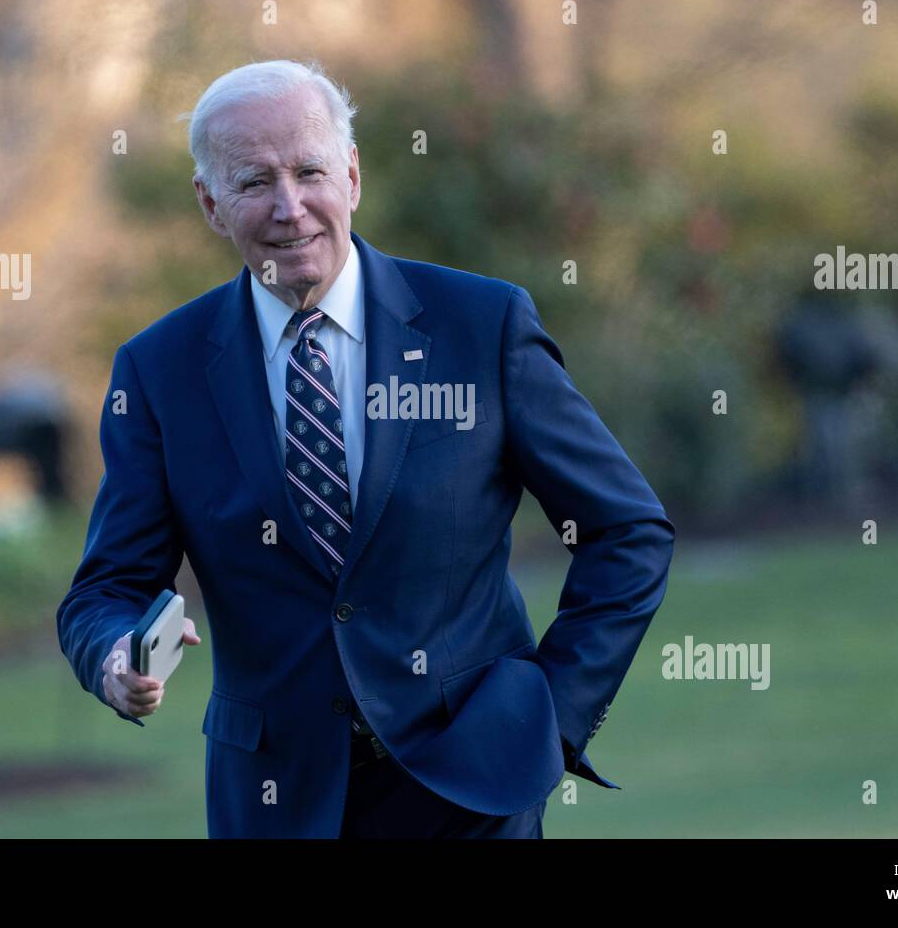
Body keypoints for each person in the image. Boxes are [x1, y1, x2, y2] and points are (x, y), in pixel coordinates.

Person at [56, 59, 675, 838]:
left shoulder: (481, 328)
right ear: (210, 204)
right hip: (276, 801)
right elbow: (104, 588)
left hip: (472, 785)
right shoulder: (159, 371)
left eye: (310, 170)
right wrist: (114, 655)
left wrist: (549, 717)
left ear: (351, 174)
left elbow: (627, 531)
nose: (290, 208)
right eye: (254, 182)